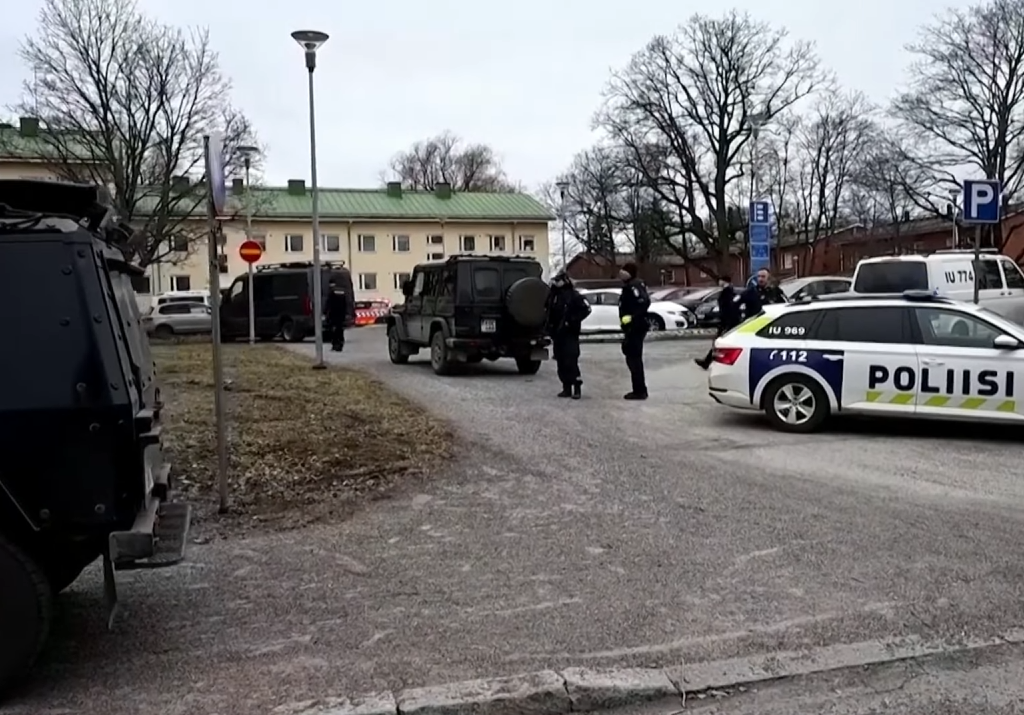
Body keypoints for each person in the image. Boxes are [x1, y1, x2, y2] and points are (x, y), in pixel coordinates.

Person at [545, 272, 591, 399]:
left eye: (558, 281)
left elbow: (586, 309)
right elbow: (547, 311)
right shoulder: (553, 295)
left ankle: (576, 386)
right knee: (560, 360)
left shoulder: (573, 295)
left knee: (570, 360)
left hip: (570, 333)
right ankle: (566, 387)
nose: (556, 283)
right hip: (557, 333)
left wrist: (572, 321)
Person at [617, 262, 651, 400]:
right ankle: (639, 389)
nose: (621, 273)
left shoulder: (633, 286)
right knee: (631, 355)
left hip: (636, 326)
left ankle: (639, 390)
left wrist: (632, 317)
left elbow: (644, 302)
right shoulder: (630, 286)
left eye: (624, 271)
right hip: (633, 326)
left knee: (634, 358)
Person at [695, 275, 741, 370]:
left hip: (727, 321)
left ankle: (709, 361)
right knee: (719, 342)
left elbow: (728, 307)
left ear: (724, 281)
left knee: (718, 342)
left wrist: (726, 321)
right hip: (727, 320)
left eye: (720, 280)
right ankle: (708, 361)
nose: (719, 282)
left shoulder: (727, 291)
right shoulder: (729, 290)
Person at [325, 279, 350, 352]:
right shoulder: (342, 291)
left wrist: (325, 312)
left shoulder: (331, 292)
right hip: (341, 314)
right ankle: (340, 344)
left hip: (333, 314)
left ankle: (335, 345)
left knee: (333, 331)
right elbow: (346, 302)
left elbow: (329, 303)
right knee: (340, 330)